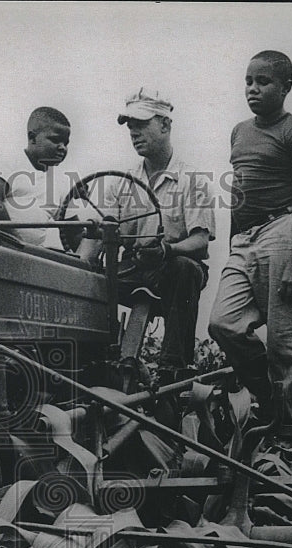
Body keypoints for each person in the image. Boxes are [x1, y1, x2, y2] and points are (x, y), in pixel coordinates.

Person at [207, 50, 292, 448]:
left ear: (286, 87)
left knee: (286, 344)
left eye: (264, 82)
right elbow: (239, 192)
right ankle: (271, 403)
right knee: (223, 323)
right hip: (246, 237)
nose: (253, 89)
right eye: (248, 81)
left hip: (283, 230)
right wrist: (234, 246)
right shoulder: (239, 132)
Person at [78, 87, 215, 383]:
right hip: (132, 268)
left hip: (170, 268)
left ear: (165, 125)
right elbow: (102, 231)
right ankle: (94, 364)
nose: (133, 133)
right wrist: (80, 264)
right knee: (88, 280)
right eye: (130, 127)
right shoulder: (122, 182)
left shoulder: (192, 181)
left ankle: (172, 371)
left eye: (141, 125)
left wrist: (168, 250)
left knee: (185, 270)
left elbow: (201, 243)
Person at [0, 107, 73, 249]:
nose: (62, 147)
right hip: (0, 250)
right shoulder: (7, 162)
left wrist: (97, 235)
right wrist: (17, 244)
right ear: (32, 138)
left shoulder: (61, 183)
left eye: (66, 143)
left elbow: (72, 231)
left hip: (33, 257)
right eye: (55, 140)